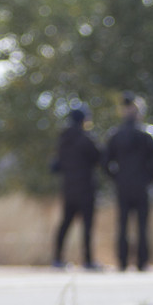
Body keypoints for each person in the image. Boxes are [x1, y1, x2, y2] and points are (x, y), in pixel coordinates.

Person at [103, 92, 153, 272]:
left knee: (123, 224)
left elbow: (105, 162)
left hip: (123, 186)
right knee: (142, 226)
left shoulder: (115, 134)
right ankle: (142, 262)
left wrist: (117, 178)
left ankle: (122, 262)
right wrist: (148, 179)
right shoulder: (148, 133)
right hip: (142, 186)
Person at [50, 107, 102, 270]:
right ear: (84, 120)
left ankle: (57, 258)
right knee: (87, 226)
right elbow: (99, 157)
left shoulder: (63, 139)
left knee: (65, 224)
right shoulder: (86, 139)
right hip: (86, 188)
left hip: (68, 188)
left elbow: (56, 165)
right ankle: (88, 260)